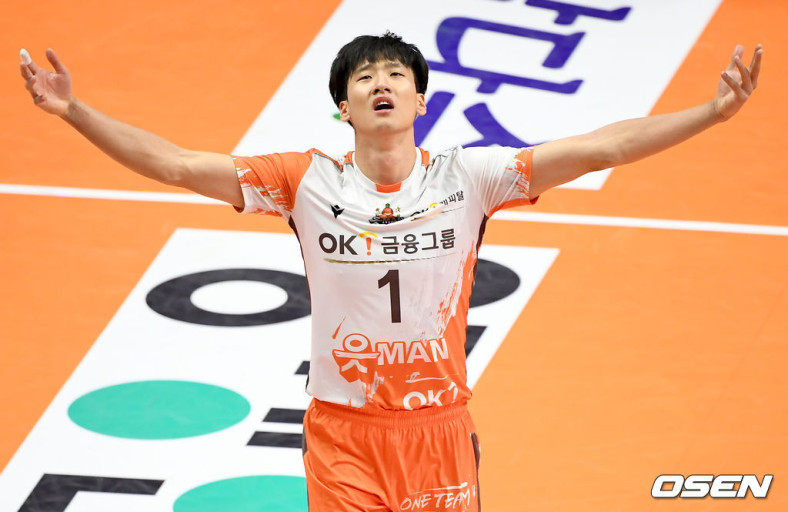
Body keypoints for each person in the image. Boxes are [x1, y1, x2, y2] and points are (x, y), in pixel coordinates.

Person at [20, 32, 761, 512]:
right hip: (344, 432)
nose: (381, 83)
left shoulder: (471, 177)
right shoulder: (302, 181)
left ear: (420, 99)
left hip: (438, 431)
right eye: (365, 77)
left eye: (396, 75)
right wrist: (75, 111)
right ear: (343, 107)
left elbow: (604, 149)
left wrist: (713, 113)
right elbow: (178, 165)